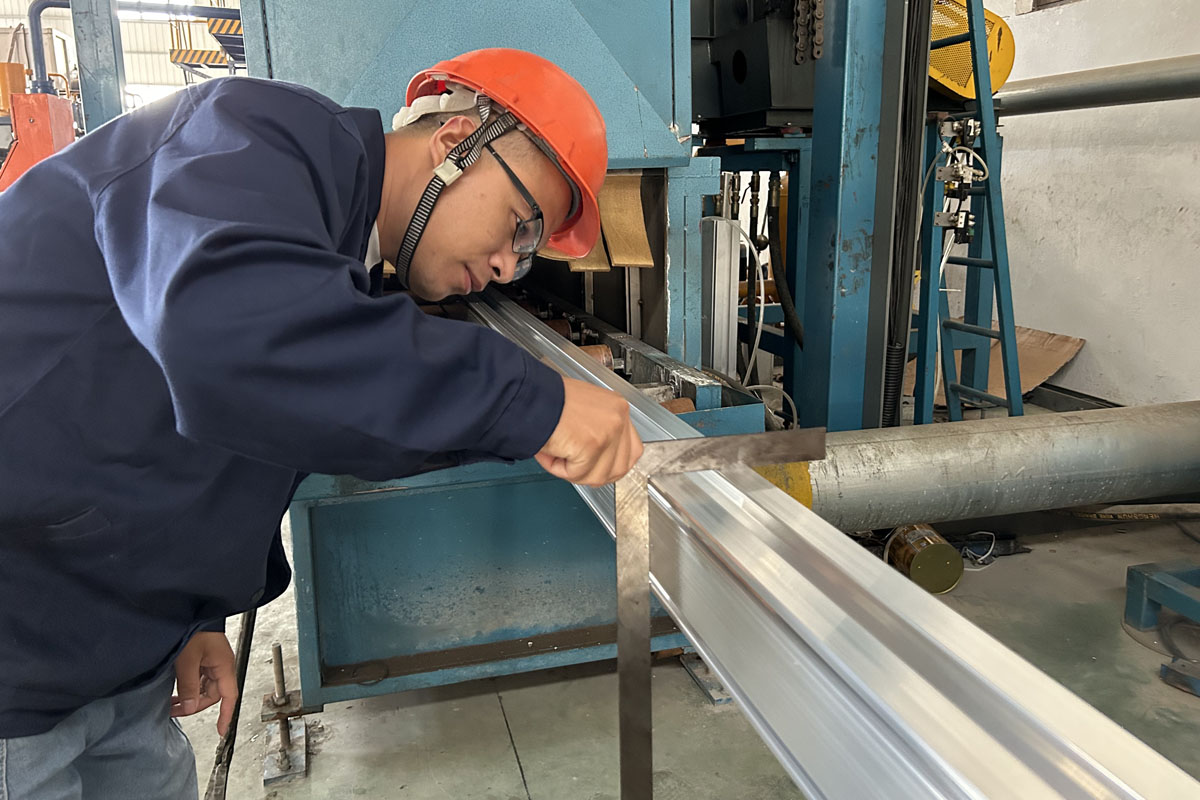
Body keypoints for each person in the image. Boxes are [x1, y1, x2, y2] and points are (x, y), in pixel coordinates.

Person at [0, 48, 642, 799]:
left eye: (525, 256)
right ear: (456, 140)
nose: (507, 266)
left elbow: (261, 420)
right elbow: (231, 335)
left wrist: (197, 612)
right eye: (520, 228)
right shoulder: (260, 129)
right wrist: (530, 400)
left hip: (114, 660)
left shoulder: (343, 263)